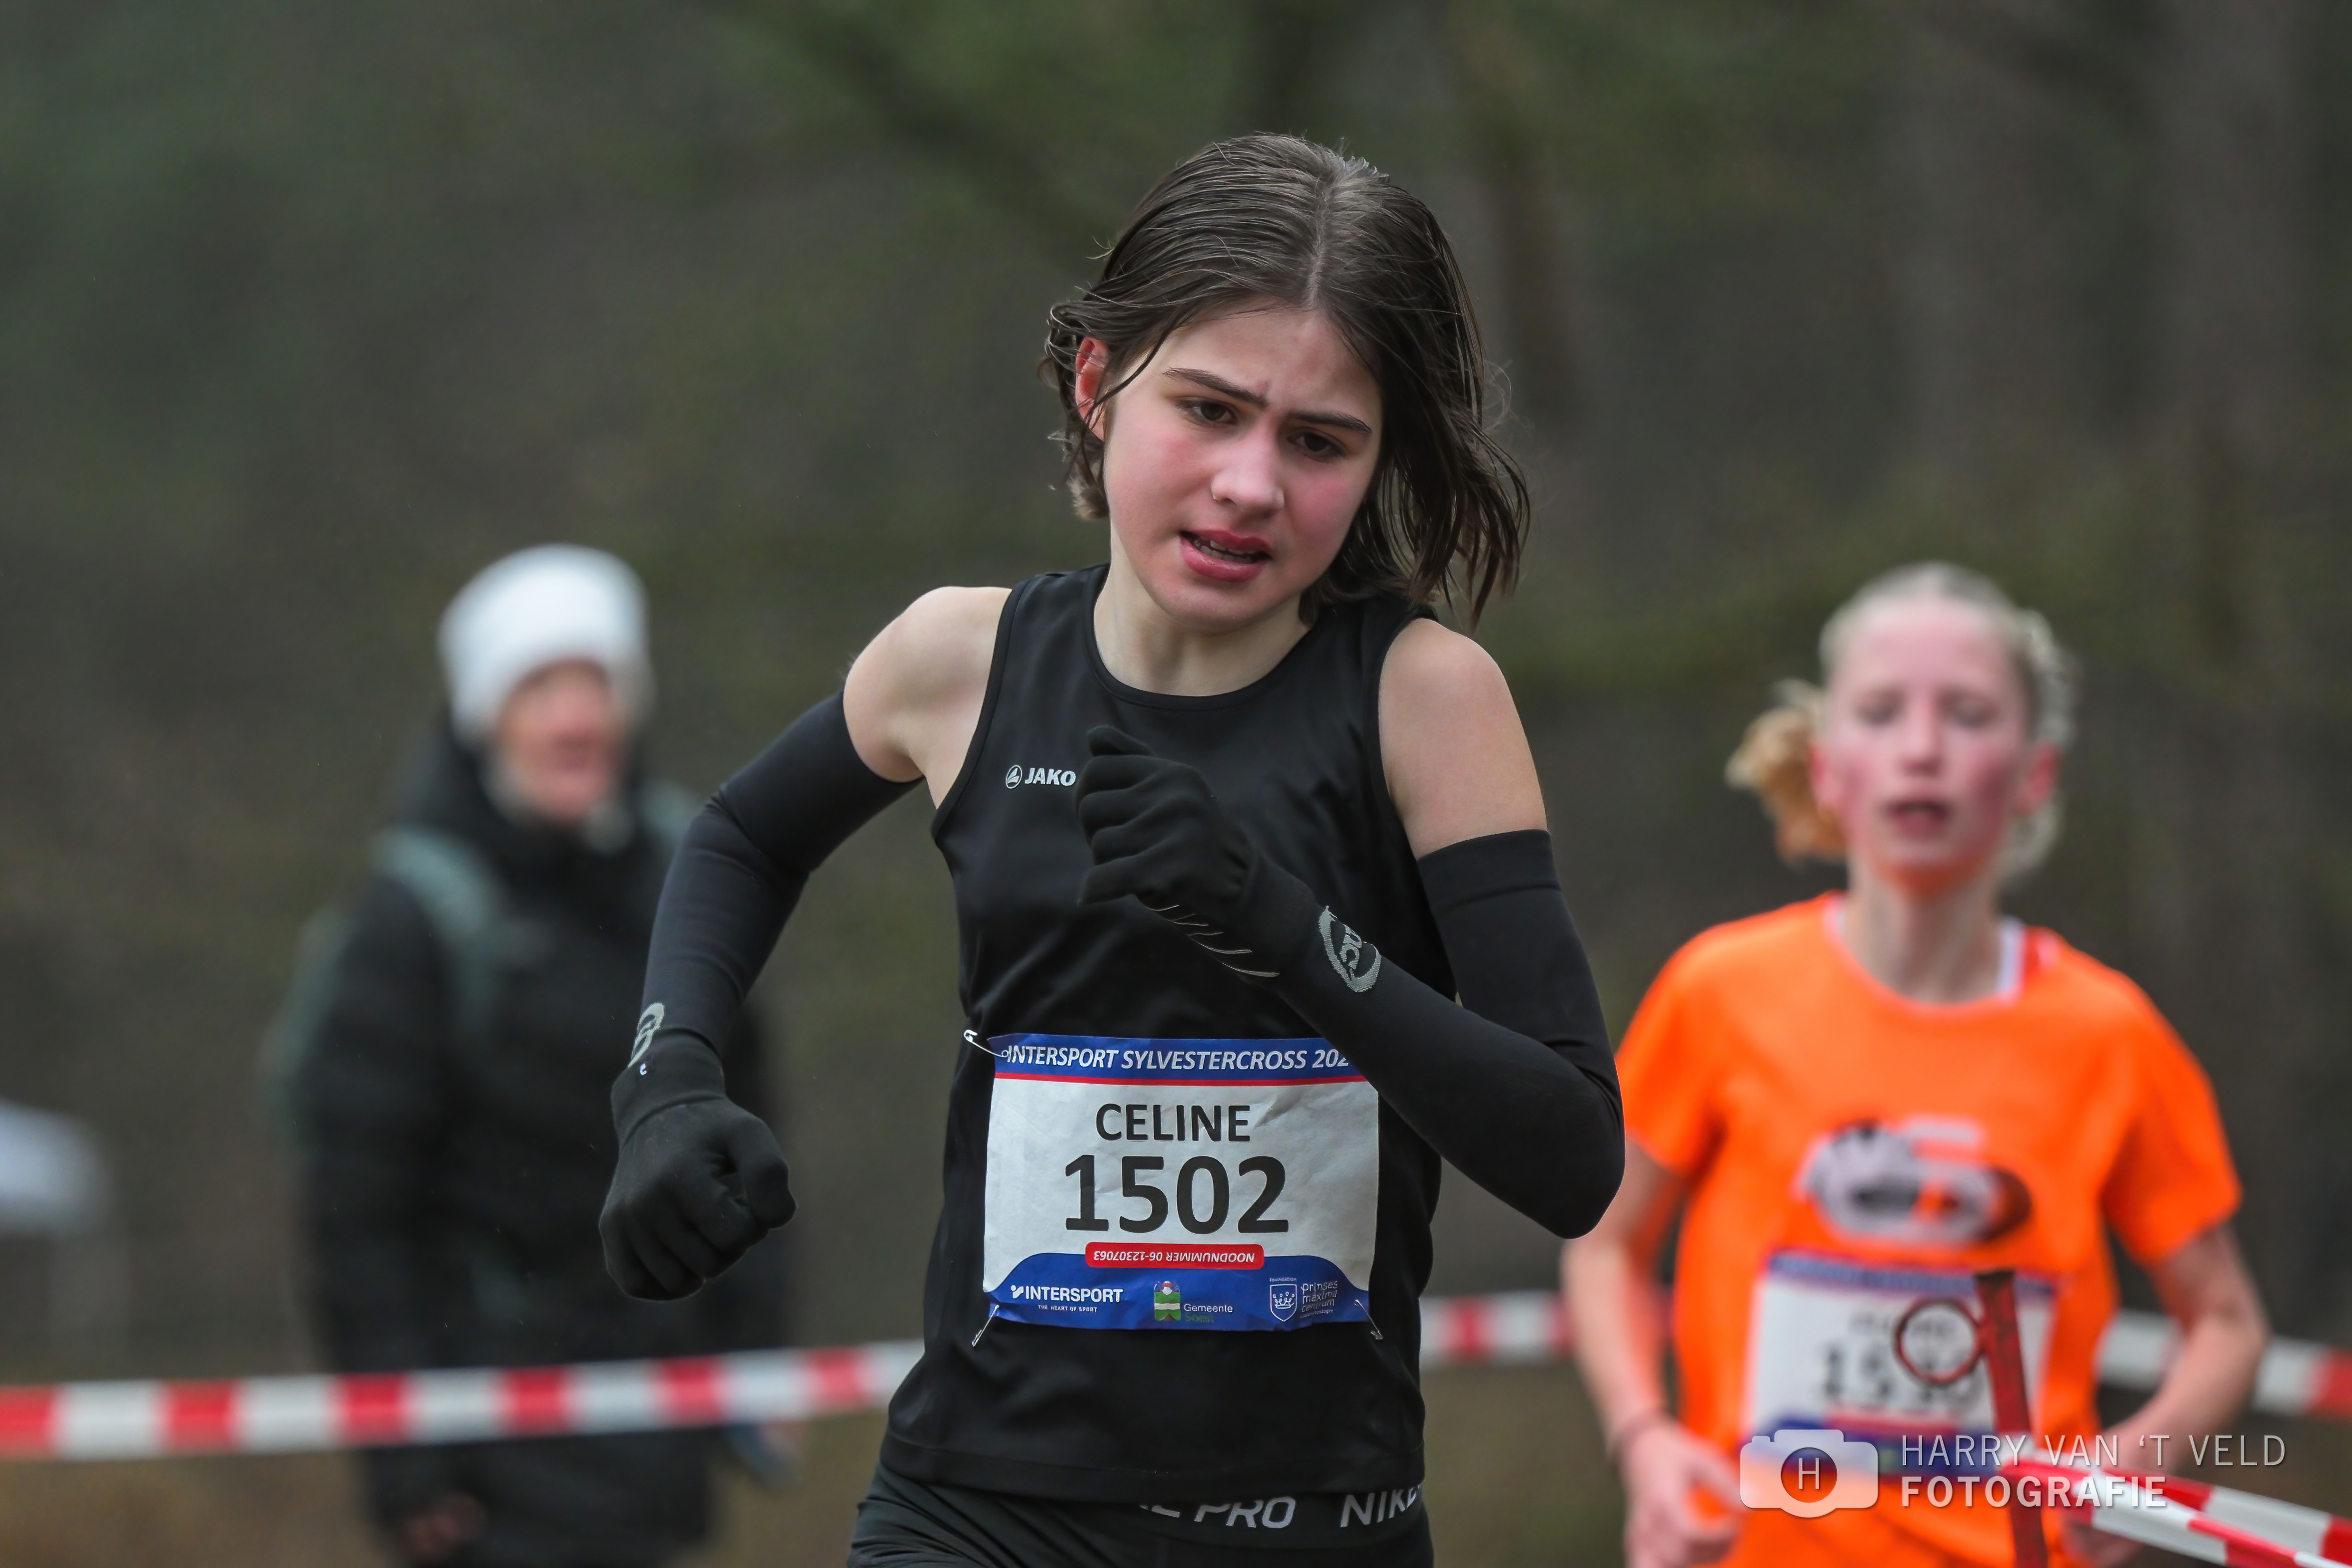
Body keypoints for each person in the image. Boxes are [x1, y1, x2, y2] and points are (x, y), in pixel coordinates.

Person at [596, 134, 1624, 1568]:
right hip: (972, 1511)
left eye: (1318, 441)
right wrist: (666, 1081)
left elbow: (1571, 1153)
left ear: (1377, 458)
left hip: (1305, 1528)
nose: (1249, 484)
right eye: (1208, 409)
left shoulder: (1423, 701)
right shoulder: (960, 659)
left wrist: (1277, 922)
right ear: (1097, 385)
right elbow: (740, 837)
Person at [1562, 563, 2270, 1568]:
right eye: (1882, 711)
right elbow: (1603, 1248)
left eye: (1969, 714)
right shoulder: (1718, 991)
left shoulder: (2110, 1034)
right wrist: (1644, 1442)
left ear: (2034, 774)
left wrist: (2137, 1463)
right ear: (1826, 767)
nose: (1924, 748)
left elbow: (2229, 1324)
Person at [282, 546, 787, 1568]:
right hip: (486, 1447)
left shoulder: (692, 880)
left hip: (659, 1427)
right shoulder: (410, 925)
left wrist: (758, 1365)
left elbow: (749, 1137)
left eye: (595, 684)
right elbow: (356, 1216)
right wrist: (403, 1460)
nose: (574, 719)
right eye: (540, 689)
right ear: (487, 719)